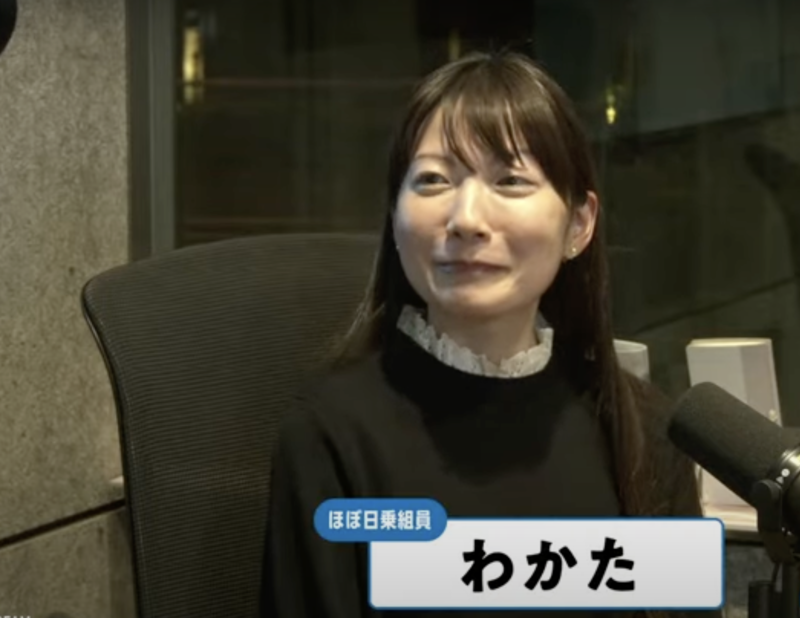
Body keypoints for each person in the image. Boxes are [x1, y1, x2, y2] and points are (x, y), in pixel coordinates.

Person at [259, 51, 710, 618]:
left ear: (578, 224)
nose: (467, 219)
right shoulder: (331, 437)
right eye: (433, 180)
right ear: (394, 217)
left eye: (510, 180)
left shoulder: (643, 431)